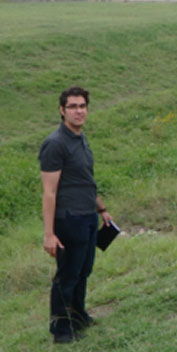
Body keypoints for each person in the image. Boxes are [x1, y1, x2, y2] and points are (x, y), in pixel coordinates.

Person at [39, 86, 113, 344]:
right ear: (62, 110)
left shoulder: (80, 138)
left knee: (84, 270)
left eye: (82, 106)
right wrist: (49, 234)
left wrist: (101, 209)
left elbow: (85, 179)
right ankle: (61, 330)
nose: (79, 111)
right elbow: (49, 193)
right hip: (69, 218)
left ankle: (78, 315)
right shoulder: (55, 144)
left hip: (88, 217)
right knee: (68, 274)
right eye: (73, 106)